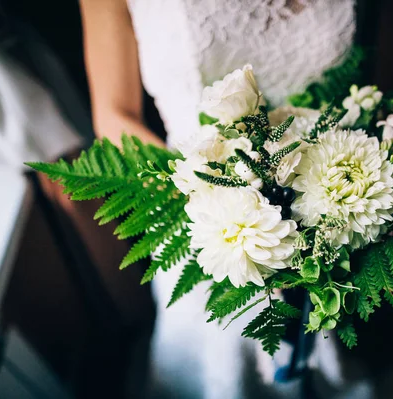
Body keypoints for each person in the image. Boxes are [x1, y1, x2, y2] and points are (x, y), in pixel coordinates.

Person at [79, 1, 369, 398]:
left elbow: (364, 77)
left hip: (331, 197)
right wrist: (218, 192)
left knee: (322, 337)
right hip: (204, 212)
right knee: (221, 364)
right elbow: (114, 117)